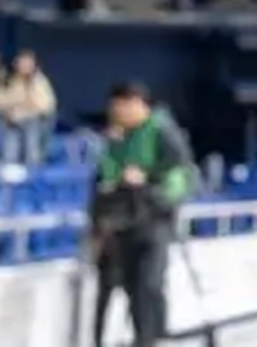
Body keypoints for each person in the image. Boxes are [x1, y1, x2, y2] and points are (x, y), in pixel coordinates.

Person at [89, 82, 200, 347]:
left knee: (148, 284)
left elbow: (181, 175)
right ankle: (144, 338)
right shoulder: (119, 138)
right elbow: (105, 176)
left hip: (154, 220)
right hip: (123, 222)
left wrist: (148, 184)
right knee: (131, 288)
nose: (116, 114)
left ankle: (153, 337)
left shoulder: (162, 131)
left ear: (136, 103)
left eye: (120, 108)